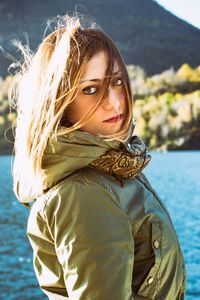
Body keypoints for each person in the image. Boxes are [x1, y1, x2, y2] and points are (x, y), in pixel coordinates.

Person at [10, 15, 186, 299]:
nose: (114, 101)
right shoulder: (84, 193)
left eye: (116, 81)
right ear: (59, 102)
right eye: (90, 89)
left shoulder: (109, 169)